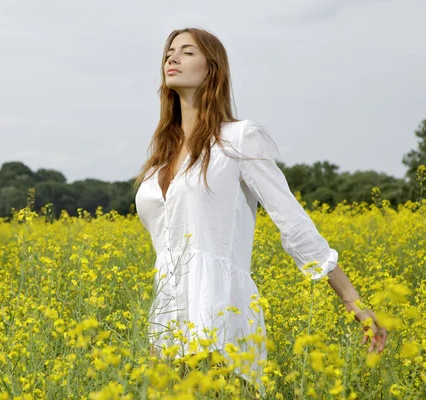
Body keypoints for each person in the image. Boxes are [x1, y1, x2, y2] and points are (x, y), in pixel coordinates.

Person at [133, 27, 387, 396]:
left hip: (221, 308)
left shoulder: (238, 139)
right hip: (167, 314)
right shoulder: (160, 158)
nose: (172, 58)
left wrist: (353, 301)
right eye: (169, 52)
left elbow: (292, 221)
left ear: (212, 68)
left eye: (187, 52)